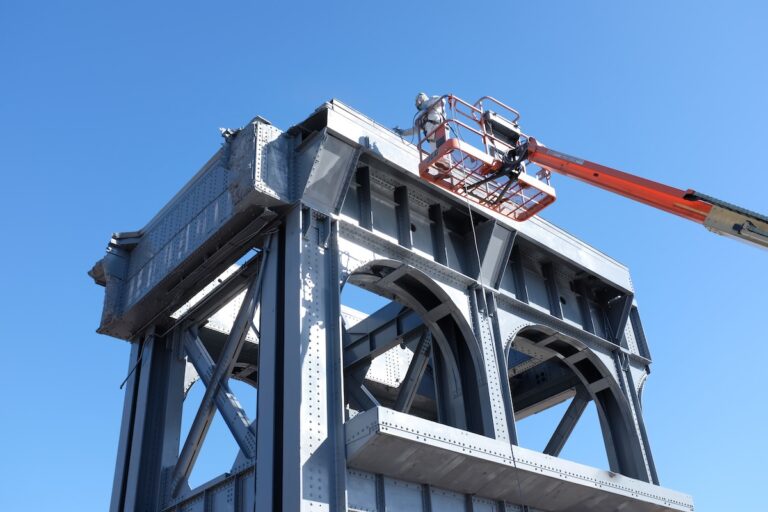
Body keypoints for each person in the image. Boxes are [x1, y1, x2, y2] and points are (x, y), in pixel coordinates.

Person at [394, 93, 451, 172]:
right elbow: (415, 130)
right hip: (431, 137)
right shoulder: (423, 115)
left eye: (418, 100)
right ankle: (443, 172)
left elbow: (442, 101)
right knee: (437, 156)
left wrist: (428, 106)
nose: (418, 102)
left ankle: (447, 167)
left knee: (443, 151)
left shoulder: (431, 100)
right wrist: (403, 132)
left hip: (439, 128)